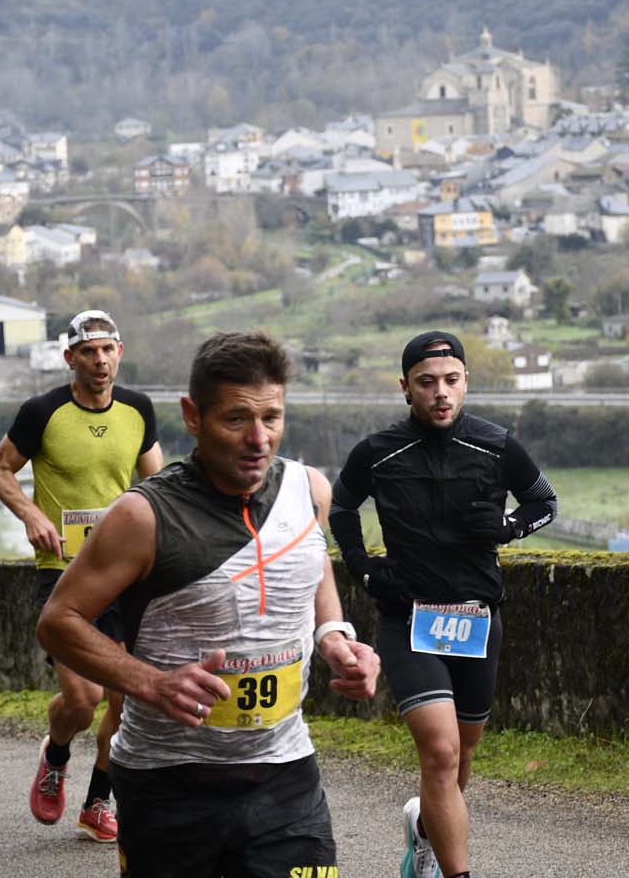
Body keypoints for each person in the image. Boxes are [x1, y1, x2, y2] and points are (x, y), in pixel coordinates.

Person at [37, 330, 380, 878]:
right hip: (169, 782)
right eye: (237, 419)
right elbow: (58, 622)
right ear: (193, 416)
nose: (258, 439)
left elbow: (311, 567)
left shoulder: (310, 489)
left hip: (284, 774)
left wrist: (334, 636)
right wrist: (151, 682)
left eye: (272, 418)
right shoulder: (142, 516)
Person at [329, 331, 558, 878]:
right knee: (440, 753)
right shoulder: (379, 452)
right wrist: (362, 566)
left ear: (465, 384)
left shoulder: (496, 444)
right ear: (405, 388)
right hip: (408, 619)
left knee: (462, 757)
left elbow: (544, 501)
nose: (441, 394)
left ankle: (423, 829)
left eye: (451, 381)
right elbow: (340, 507)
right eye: (427, 383)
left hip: (477, 620)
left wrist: (509, 526)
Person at [0, 309, 165, 844]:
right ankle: (57, 753)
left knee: (125, 700)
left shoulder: (138, 410)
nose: (100, 360)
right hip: (64, 571)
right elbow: (0, 470)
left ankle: (97, 802)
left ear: (120, 352)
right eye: (89, 351)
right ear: (70, 358)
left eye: (108, 349)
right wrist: (32, 515)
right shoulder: (42, 411)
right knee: (83, 701)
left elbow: (158, 485)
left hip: (127, 573)